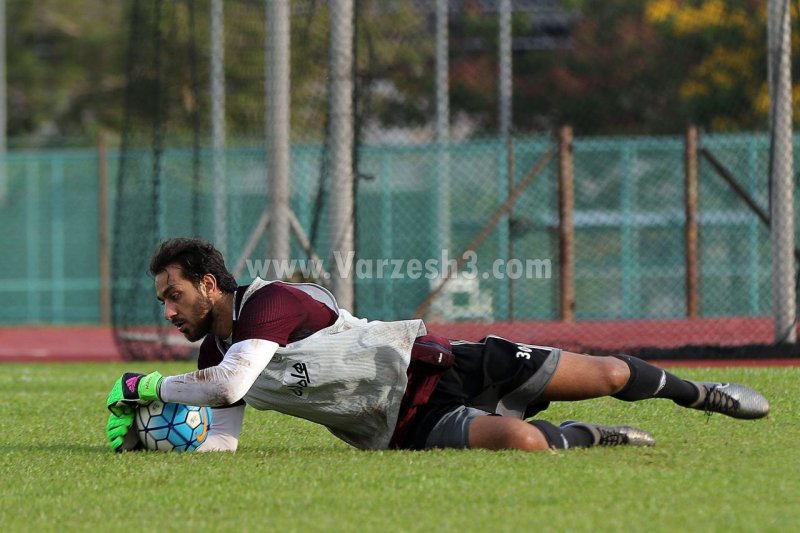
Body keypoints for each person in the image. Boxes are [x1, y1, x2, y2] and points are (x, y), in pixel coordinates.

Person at [105, 238, 770, 453]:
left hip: (440, 360)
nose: (168, 311)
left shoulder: (271, 302)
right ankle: (591, 436)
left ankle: (699, 393)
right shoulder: (209, 360)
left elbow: (228, 388)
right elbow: (221, 436)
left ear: (211, 284)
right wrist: (152, 438)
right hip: (407, 421)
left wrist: (138, 388)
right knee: (525, 444)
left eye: (173, 295)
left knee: (601, 368)